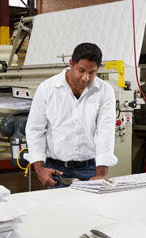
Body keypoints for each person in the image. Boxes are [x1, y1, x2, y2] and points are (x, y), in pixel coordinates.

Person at [25, 42, 117, 188]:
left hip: (91, 169)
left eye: (92, 72)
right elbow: (35, 130)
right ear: (71, 64)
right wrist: (40, 169)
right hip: (56, 170)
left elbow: (105, 132)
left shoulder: (105, 91)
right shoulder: (48, 89)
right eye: (81, 70)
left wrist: (101, 173)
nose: (85, 78)